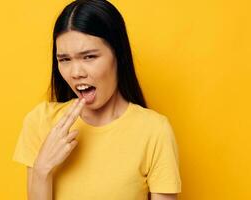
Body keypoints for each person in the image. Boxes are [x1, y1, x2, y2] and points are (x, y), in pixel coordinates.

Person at [12, 0, 182, 199]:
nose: (76, 73)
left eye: (89, 57)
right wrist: (42, 171)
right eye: (64, 59)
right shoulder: (41, 121)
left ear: (119, 55)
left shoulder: (154, 131)